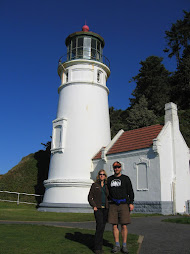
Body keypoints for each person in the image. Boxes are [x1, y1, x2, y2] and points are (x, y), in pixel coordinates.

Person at [107, 161, 134, 254]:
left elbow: (130, 191)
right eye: (115, 167)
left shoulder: (125, 179)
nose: (116, 169)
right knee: (114, 225)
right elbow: (107, 192)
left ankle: (124, 245)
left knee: (124, 225)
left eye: (118, 167)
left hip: (123, 204)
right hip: (113, 204)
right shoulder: (109, 179)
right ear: (113, 168)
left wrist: (131, 203)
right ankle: (117, 244)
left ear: (121, 168)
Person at [88, 169, 109, 254]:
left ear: (105, 176)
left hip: (106, 209)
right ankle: (97, 248)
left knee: (102, 227)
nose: (102, 175)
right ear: (98, 175)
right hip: (98, 209)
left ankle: (99, 246)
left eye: (103, 174)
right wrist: (94, 206)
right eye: (100, 174)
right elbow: (90, 197)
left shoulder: (107, 185)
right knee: (99, 226)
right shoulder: (94, 185)